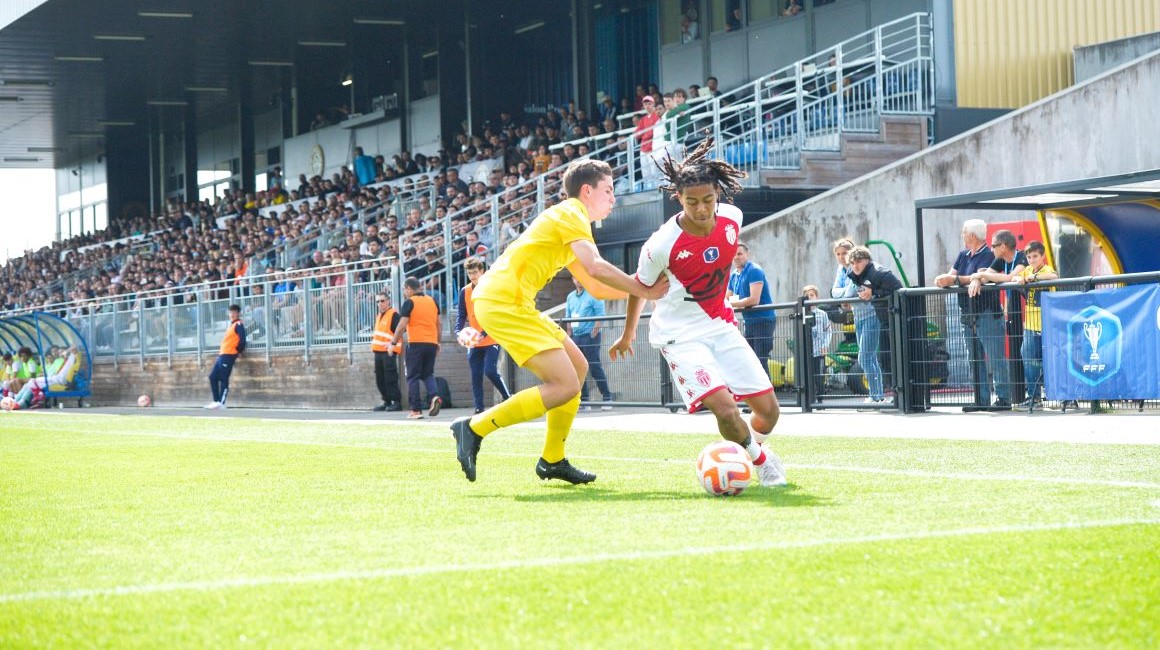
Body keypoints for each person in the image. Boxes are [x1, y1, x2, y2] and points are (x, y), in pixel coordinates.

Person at [449, 158, 669, 484]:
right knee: (564, 384)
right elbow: (595, 267)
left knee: (577, 369)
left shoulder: (571, 222)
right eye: (608, 191)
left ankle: (552, 459)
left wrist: (643, 293)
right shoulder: (571, 213)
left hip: (511, 303)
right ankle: (472, 428)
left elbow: (595, 285)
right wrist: (643, 288)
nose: (613, 198)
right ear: (587, 191)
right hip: (502, 302)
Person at [609, 139, 787, 488]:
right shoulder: (661, 244)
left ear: (718, 194)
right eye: (692, 202)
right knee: (725, 408)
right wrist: (628, 334)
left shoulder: (733, 219)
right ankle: (762, 462)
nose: (702, 209)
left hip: (722, 325)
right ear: (678, 197)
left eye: (708, 200)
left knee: (769, 412)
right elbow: (637, 286)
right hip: (680, 336)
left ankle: (744, 452)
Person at [934, 219, 1010, 409]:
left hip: (987, 313)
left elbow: (980, 276)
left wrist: (955, 279)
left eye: (964, 232)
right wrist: (947, 279)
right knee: (974, 359)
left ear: (972, 236)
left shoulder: (989, 255)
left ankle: (1004, 398)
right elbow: (953, 276)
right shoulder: (963, 255)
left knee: (996, 357)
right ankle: (980, 399)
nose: (962, 235)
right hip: (967, 314)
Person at [969, 228, 1027, 403]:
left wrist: (980, 274)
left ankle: (1033, 395)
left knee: (1030, 355)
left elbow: (1011, 277)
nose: (991, 249)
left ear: (1003, 246)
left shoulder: (1022, 257)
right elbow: (987, 277)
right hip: (1015, 315)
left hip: (1034, 312)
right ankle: (1018, 397)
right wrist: (977, 278)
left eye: (993, 245)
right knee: (1021, 353)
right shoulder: (1000, 260)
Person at [844, 246, 903, 405]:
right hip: (859, 317)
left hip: (872, 316)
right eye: (852, 262)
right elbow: (844, 294)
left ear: (867, 261)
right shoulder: (854, 274)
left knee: (864, 357)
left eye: (859, 262)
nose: (855, 265)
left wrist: (873, 292)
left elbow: (895, 288)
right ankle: (877, 395)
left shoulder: (876, 272)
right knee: (869, 357)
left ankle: (876, 395)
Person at [456, 257, 512, 414]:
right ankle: (479, 408)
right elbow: (461, 315)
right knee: (476, 375)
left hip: (491, 338)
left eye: (475, 272)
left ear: (482, 272)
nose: (472, 276)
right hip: (474, 341)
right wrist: (458, 331)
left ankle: (508, 398)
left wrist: (484, 333)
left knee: (490, 371)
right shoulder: (465, 291)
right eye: (470, 273)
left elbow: (496, 314)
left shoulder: (490, 289)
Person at [1012, 241, 1057, 410]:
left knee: (1048, 358)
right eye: (1029, 257)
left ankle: (1056, 394)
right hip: (1030, 325)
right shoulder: (1027, 270)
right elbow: (1015, 278)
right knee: (1028, 357)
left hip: (1046, 323)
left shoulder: (1046, 270)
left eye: (1035, 256)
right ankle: (1034, 397)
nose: (1032, 260)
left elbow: (1054, 277)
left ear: (1042, 256)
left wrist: (1034, 278)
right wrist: (1020, 278)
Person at [391, 277, 443, 420]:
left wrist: (393, 342)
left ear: (409, 288)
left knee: (412, 377)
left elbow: (402, 325)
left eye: (404, 289)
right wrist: (438, 342)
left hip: (416, 344)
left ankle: (416, 410)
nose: (404, 292)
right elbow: (439, 324)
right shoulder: (432, 301)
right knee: (428, 374)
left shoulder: (409, 302)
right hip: (431, 343)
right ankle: (434, 396)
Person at [565, 274, 613, 410]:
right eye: (576, 277)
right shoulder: (570, 297)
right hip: (576, 336)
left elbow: (600, 314)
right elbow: (568, 316)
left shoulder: (594, 293)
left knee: (594, 366)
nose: (579, 280)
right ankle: (584, 401)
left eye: (580, 277)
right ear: (573, 280)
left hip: (590, 336)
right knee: (578, 369)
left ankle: (607, 398)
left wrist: (595, 331)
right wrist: (569, 335)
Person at [727, 243, 775, 371]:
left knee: (760, 361)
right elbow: (727, 298)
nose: (736, 257)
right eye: (733, 254)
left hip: (763, 321)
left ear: (747, 254)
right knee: (750, 363)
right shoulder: (734, 275)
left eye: (739, 254)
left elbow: (754, 300)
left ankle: (767, 385)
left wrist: (730, 304)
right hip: (749, 323)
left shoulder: (754, 270)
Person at [206, 304, 246, 409]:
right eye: (230, 312)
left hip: (229, 355)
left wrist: (237, 351)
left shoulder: (238, 324)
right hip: (222, 355)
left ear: (238, 313)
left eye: (234, 312)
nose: (232, 314)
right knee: (212, 377)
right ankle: (216, 401)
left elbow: (242, 340)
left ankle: (221, 403)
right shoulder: (231, 325)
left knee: (224, 378)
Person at [370, 291, 404, 412]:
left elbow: (400, 331)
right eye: (377, 301)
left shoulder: (393, 314)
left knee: (390, 377)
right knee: (380, 379)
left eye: (382, 301)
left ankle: (396, 402)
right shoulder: (379, 316)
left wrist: (392, 346)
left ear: (388, 301)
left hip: (388, 351)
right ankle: (387, 401)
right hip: (378, 352)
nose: (380, 303)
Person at [802, 285, 833, 395]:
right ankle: (809, 397)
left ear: (816, 297)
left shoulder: (823, 314)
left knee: (819, 375)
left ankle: (820, 396)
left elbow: (828, 331)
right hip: (807, 352)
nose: (809, 298)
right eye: (807, 296)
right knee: (807, 376)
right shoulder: (802, 314)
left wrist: (825, 345)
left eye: (812, 295)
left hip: (819, 352)